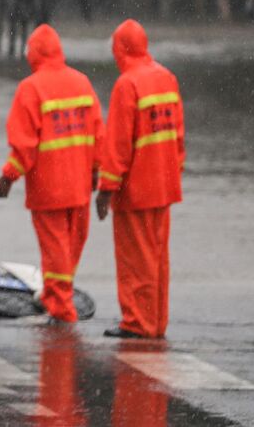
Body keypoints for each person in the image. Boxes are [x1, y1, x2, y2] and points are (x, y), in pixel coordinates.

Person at [0, 24, 102, 324]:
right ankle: (56, 295)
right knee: (70, 249)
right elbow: (97, 134)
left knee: (55, 253)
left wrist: (8, 177)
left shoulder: (31, 88)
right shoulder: (82, 83)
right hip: (79, 186)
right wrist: (96, 171)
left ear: (34, 53)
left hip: (49, 188)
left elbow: (25, 144)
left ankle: (62, 309)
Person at [95, 19, 185, 339]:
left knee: (136, 260)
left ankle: (137, 323)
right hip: (164, 184)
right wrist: (174, 171)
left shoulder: (127, 85)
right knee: (158, 259)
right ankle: (156, 322)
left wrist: (106, 189)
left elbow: (118, 145)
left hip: (137, 188)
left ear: (120, 48)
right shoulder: (166, 78)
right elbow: (177, 136)